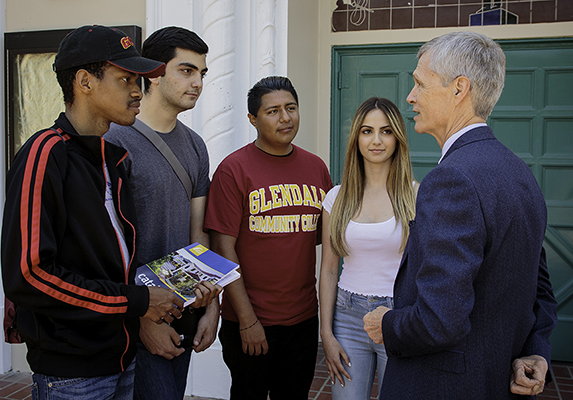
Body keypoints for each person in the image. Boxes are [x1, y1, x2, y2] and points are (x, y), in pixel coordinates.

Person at [362, 31, 558, 399]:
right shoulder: (520, 173)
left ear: (459, 89)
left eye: (420, 83)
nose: (411, 96)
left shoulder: (452, 179)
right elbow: (540, 290)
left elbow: (439, 320)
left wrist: (387, 325)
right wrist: (537, 350)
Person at [0, 25, 187, 400]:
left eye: (139, 80)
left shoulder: (111, 159)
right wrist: (136, 301)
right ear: (85, 81)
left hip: (121, 358)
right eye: (125, 80)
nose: (138, 91)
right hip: (72, 374)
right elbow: (29, 275)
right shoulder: (45, 154)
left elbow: (110, 261)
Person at [104, 26, 220, 400]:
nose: (198, 82)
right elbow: (105, 246)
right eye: (186, 71)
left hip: (182, 309)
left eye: (202, 73)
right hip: (132, 316)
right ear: (154, 72)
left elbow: (198, 231)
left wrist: (211, 305)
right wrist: (140, 319)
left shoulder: (195, 146)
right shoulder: (114, 140)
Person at [204, 76, 333, 400]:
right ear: (253, 119)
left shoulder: (316, 168)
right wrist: (247, 321)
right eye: (273, 111)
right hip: (250, 318)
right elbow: (222, 247)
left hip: (303, 318)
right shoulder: (234, 169)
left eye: (291, 108)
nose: (285, 118)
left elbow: (319, 238)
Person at [319, 97, 418, 399]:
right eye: (367, 131)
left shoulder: (415, 195)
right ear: (356, 138)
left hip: (397, 315)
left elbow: (423, 269)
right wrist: (327, 334)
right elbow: (328, 269)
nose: (376, 140)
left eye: (386, 131)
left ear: (398, 138)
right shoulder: (336, 197)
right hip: (347, 318)